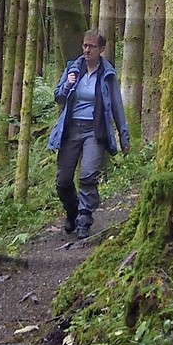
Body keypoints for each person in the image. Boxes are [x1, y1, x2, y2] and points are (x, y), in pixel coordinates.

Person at [46, 28, 129, 242]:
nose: (87, 50)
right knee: (63, 180)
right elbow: (59, 97)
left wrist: (124, 136)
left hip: (95, 130)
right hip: (71, 129)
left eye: (92, 46)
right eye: (84, 45)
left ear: (101, 49)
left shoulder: (107, 75)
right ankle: (72, 211)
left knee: (88, 176)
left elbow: (117, 107)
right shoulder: (73, 68)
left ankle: (84, 220)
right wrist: (68, 84)